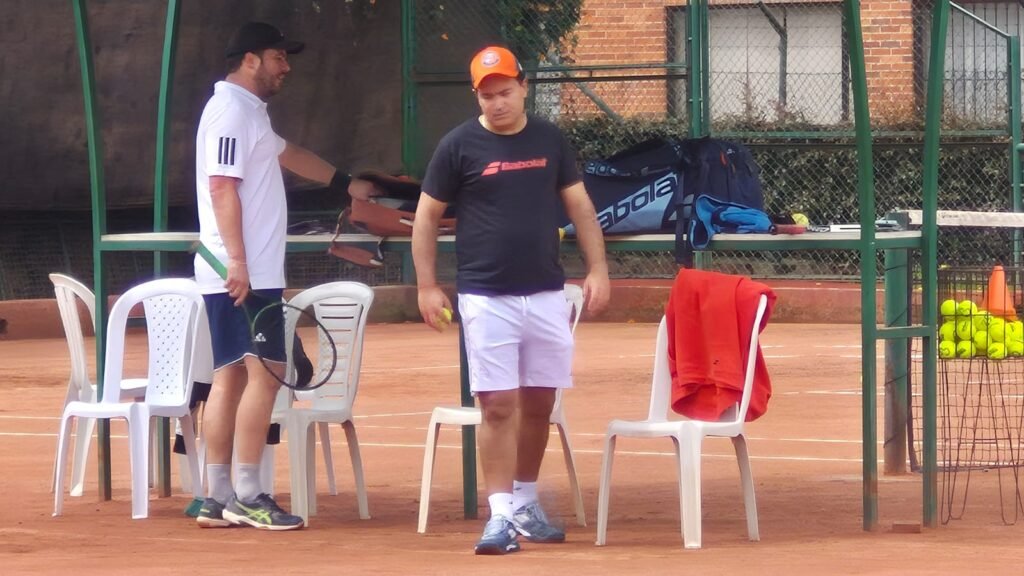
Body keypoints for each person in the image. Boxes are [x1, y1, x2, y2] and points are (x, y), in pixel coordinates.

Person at [411, 45, 610, 555]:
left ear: (524, 87)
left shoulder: (549, 139)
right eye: (487, 95)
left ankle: (525, 502)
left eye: (504, 92)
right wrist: (427, 285)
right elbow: (427, 217)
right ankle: (499, 515)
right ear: (475, 96)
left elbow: (580, 208)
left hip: (545, 293)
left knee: (540, 402)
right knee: (497, 405)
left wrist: (598, 269)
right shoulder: (457, 145)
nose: (497, 103)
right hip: (485, 296)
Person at [192, 21, 378, 530]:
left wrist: (346, 183)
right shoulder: (231, 112)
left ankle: (217, 497)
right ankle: (248, 494)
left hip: (241, 269)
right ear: (250, 60)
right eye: (278, 57)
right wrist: (238, 261)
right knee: (267, 373)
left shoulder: (247, 111)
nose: (286, 66)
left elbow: (288, 153)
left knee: (230, 375)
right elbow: (221, 186)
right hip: (243, 271)